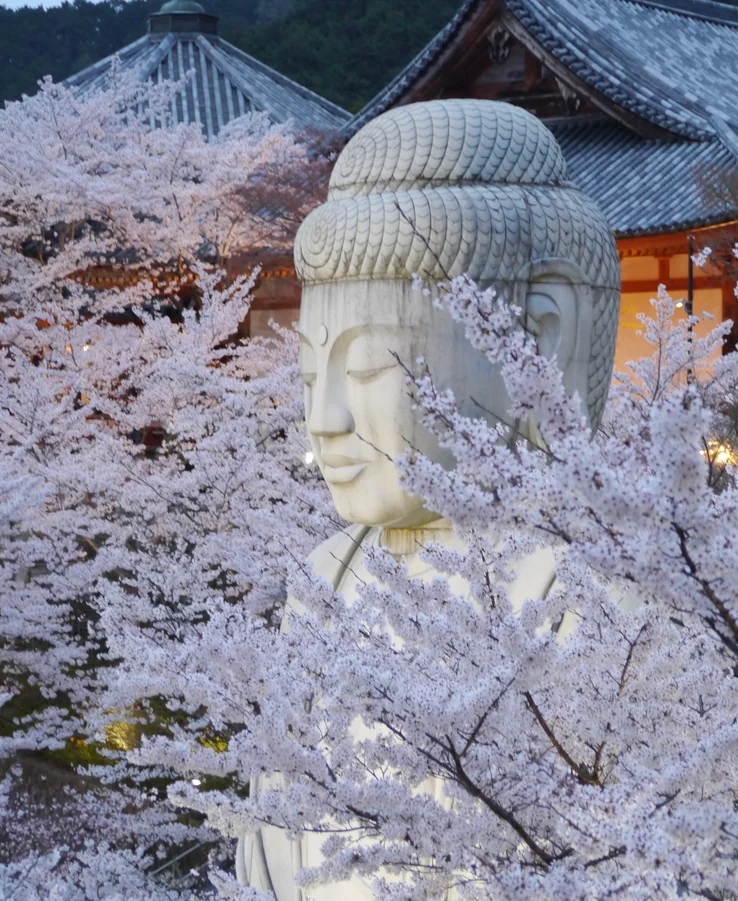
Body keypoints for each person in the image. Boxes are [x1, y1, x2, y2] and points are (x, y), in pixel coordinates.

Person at [236, 98, 620, 900]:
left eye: (371, 369)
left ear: (536, 338)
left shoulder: (591, 589)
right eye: (311, 376)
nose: (327, 420)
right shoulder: (325, 575)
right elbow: (270, 831)